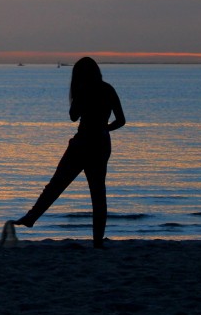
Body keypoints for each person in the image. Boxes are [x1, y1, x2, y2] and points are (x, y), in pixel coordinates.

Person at [14, 56, 125, 248]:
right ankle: (98, 241)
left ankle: (32, 216)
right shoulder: (108, 89)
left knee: (57, 183)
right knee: (98, 194)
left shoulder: (83, 90)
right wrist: (104, 129)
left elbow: (73, 116)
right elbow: (121, 120)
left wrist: (78, 95)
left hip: (83, 142)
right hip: (101, 143)